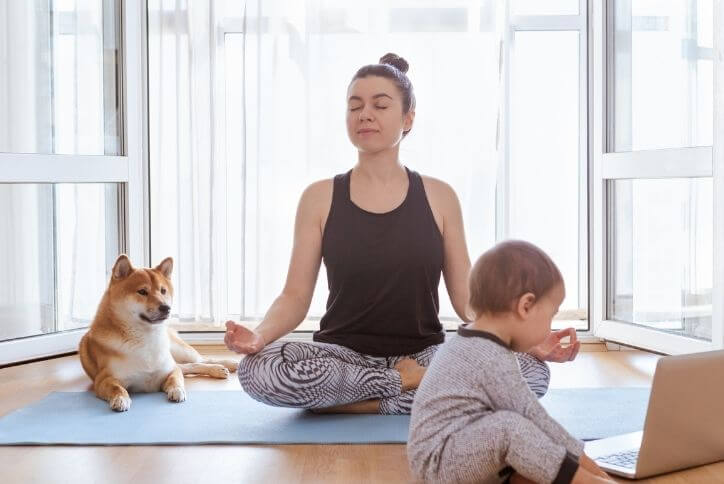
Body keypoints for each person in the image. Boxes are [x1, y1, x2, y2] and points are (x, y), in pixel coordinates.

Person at [224, 53, 580, 415]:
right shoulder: (318, 197)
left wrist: (525, 342)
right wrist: (260, 335)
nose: (365, 114)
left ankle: (356, 404)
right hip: (344, 356)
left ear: (408, 118)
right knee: (257, 372)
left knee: (533, 373)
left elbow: (467, 300)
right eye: (355, 106)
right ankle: (408, 390)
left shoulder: (440, 196)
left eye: (380, 105)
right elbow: (295, 296)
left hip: (425, 356)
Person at [407, 240, 613, 484]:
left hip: (448, 453)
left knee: (520, 436)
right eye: (551, 315)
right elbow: (533, 416)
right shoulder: (489, 357)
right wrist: (587, 463)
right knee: (511, 428)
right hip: (440, 465)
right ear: (525, 306)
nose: (550, 326)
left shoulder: (468, 340)